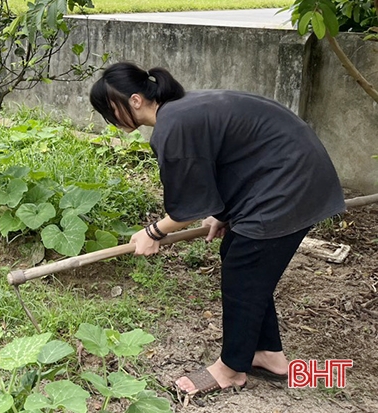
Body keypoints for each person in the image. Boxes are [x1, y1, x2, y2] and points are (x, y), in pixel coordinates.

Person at [89, 62, 346, 396]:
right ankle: (267, 355)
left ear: (134, 100)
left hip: (289, 185)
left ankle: (231, 369)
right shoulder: (183, 111)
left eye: (110, 110)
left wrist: (153, 232)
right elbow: (227, 160)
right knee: (240, 258)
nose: (111, 119)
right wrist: (222, 213)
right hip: (288, 175)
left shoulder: (172, 127)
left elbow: (186, 208)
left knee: (244, 266)